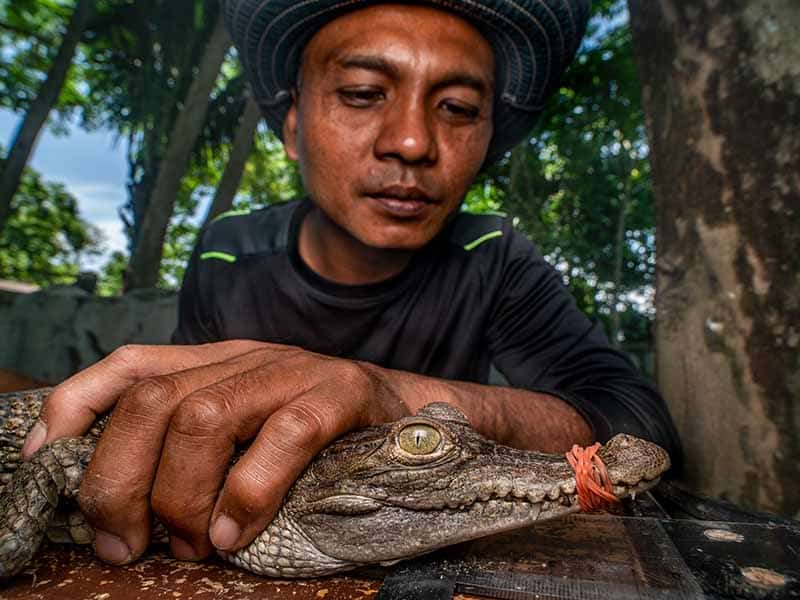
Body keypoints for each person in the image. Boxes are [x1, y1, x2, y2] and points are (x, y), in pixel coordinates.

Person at [22, 0, 681, 568]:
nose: (413, 141)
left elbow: (638, 421)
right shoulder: (228, 251)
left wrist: (392, 394)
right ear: (291, 127)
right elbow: (193, 426)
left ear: (484, 142)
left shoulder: (494, 256)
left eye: (457, 107)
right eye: (364, 94)